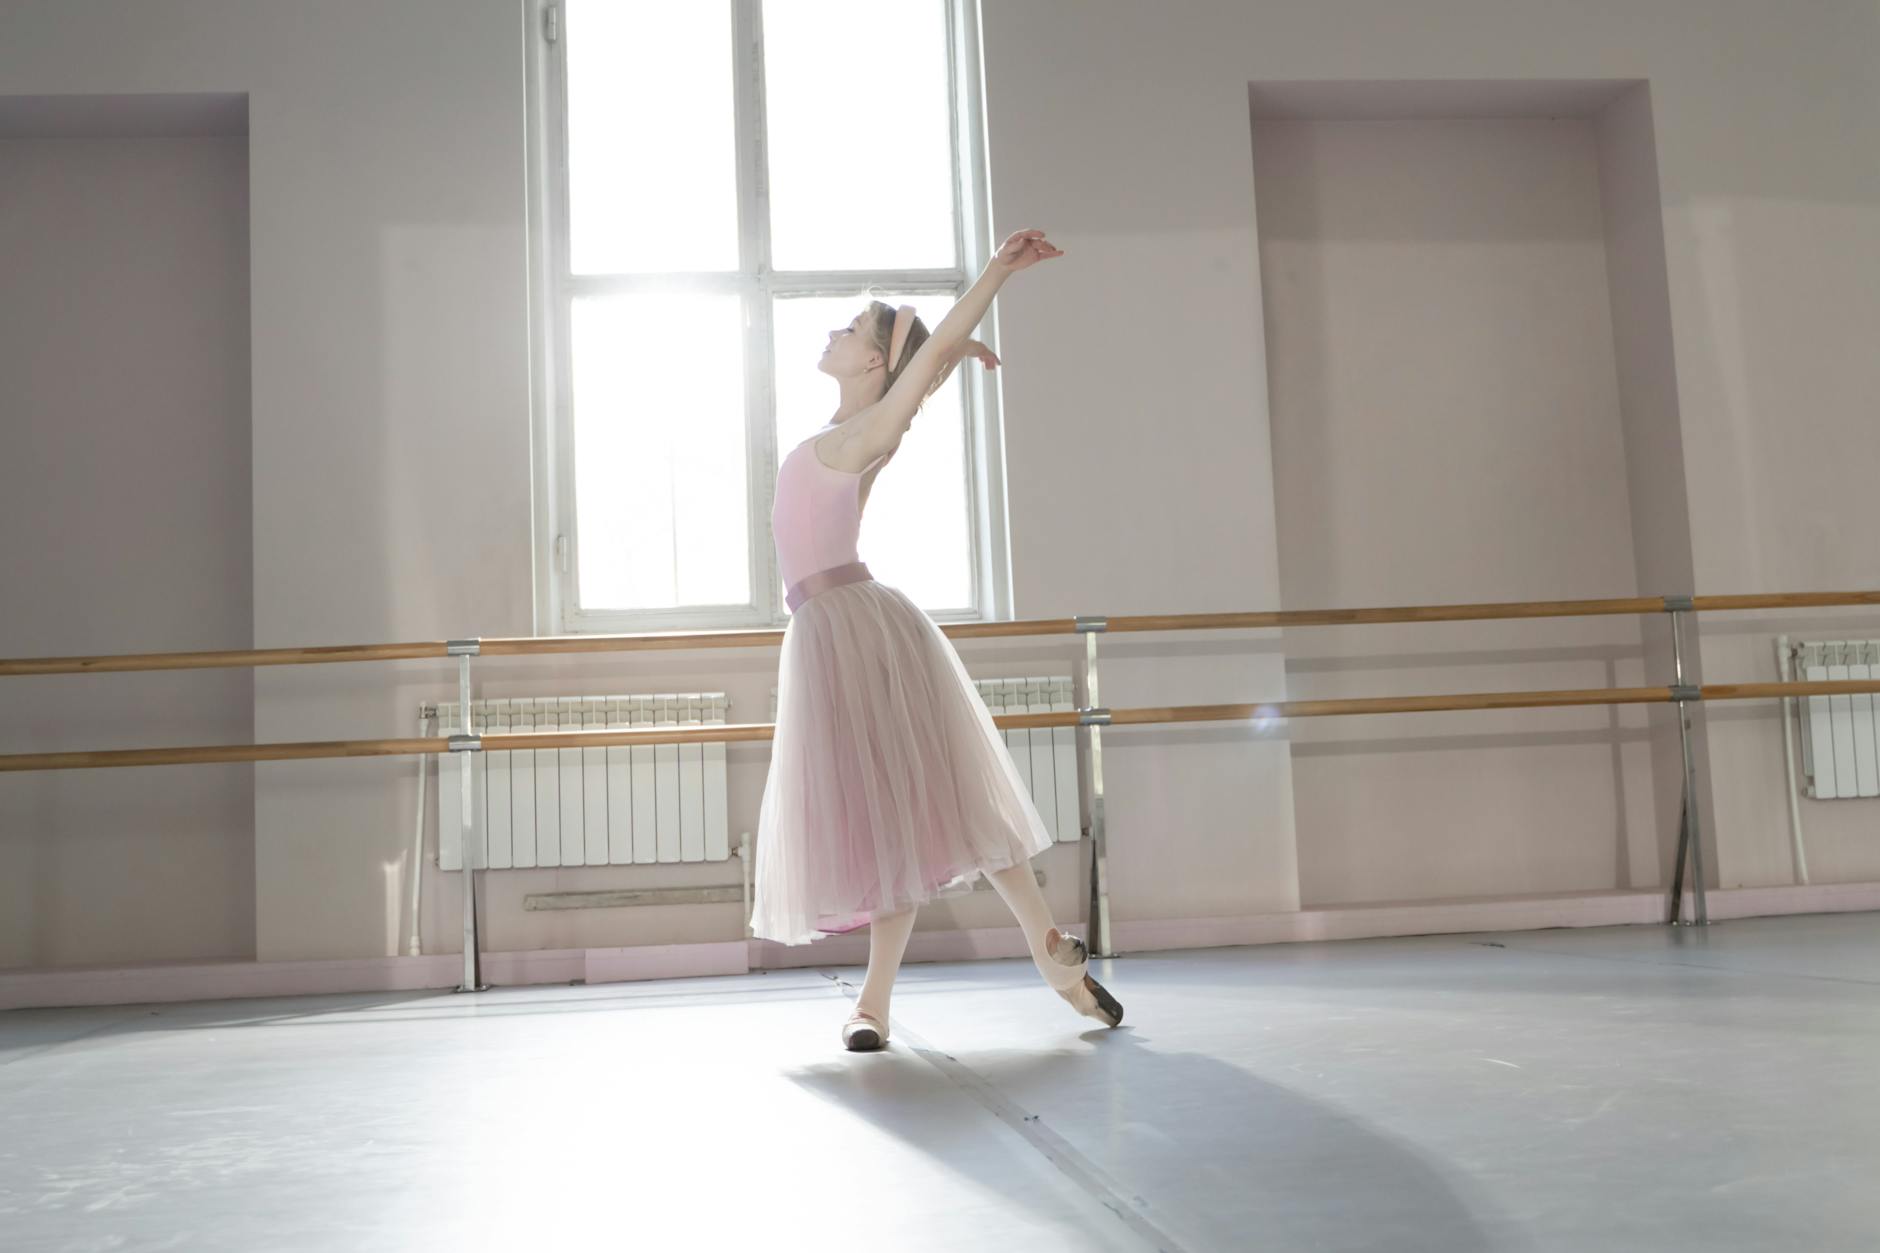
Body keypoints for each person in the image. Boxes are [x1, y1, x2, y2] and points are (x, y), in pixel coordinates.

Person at [749, 228, 1124, 1052]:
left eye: (852, 331)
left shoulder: (863, 438)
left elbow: (914, 384)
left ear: (878, 363)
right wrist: (948, 358)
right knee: (897, 817)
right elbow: (916, 385)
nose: (834, 335)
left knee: (927, 804)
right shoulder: (841, 439)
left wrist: (993, 274)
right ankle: (985, 971)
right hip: (831, 633)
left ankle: (933, 986)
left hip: (854, 630)